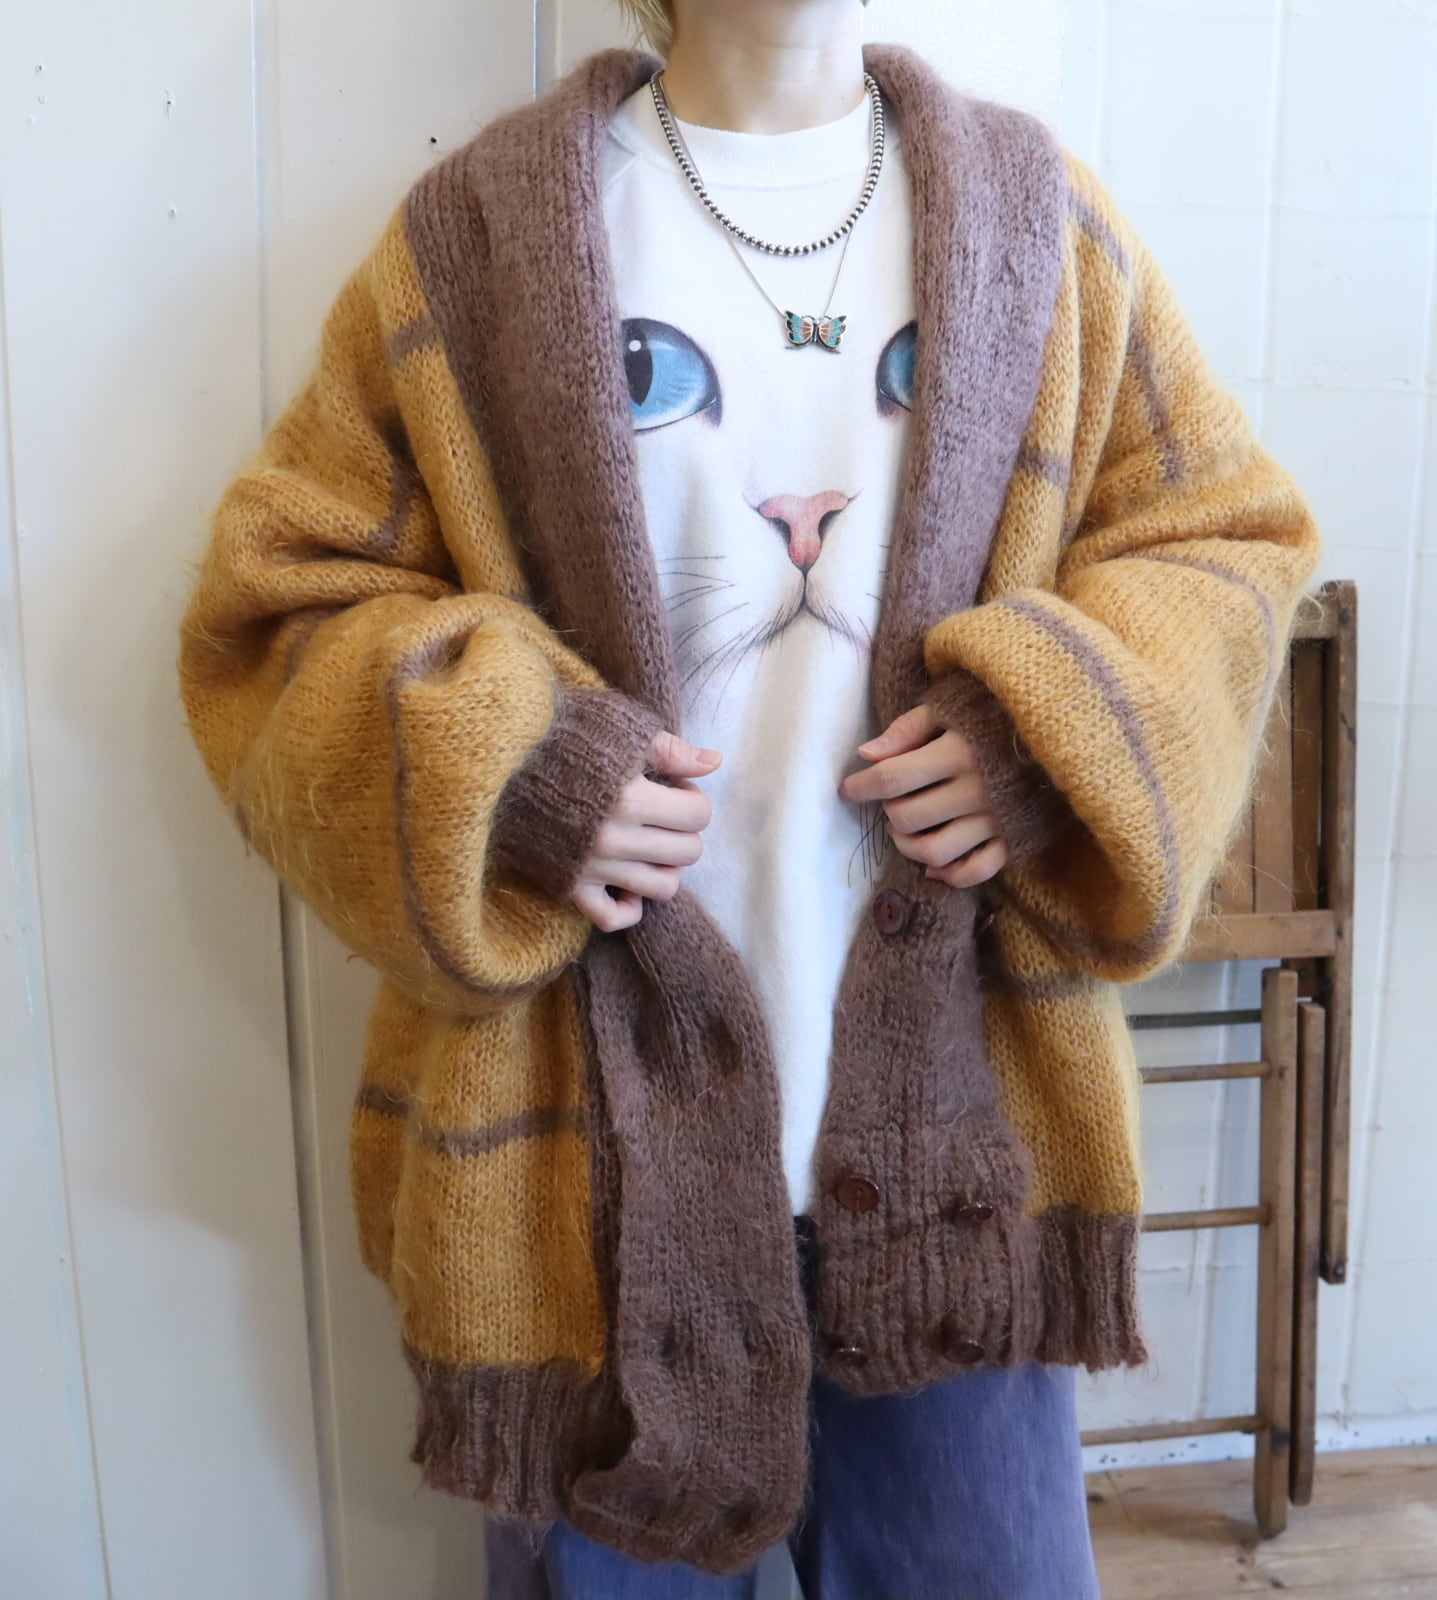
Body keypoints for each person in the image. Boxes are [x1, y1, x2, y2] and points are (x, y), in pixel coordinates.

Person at [177, 0, 1322, 1596]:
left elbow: (1224, 540)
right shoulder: (478, 238)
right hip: (578, 1185)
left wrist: (1046, 734)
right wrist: (511, 769)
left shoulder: (1038, 219)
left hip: (969, 1157)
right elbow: (276, 609)